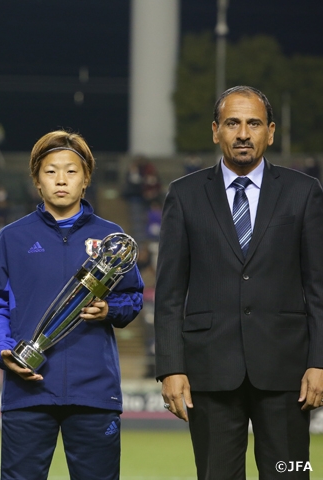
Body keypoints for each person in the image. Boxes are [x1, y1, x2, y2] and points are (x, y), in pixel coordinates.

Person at [155, 86, 323, 479]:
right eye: (233, 123)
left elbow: (318, 288)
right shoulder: (184, 195)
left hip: (288, 376)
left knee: (290, 474)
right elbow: (169, 294)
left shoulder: (304, 193)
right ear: (216, 131)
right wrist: (170, 367)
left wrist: (319, 361)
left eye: (253, 123)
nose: (243, 133)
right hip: (210, 373)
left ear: (271, 132)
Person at [0, 130, 144, 480]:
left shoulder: (111, 238)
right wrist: (3, 349)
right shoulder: (12, 238)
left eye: (71, 171)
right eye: (51, 171)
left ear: (86, 179)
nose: (61, 180)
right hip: (28, 391)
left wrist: (108, 310)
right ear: (36, 180)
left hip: (93, 393)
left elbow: (132, 297)